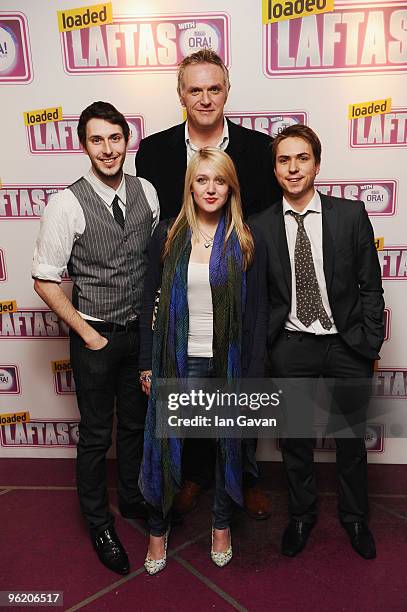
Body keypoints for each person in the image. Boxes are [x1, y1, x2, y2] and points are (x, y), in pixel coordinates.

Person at [136, 48, 278, 519]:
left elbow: (263, 227)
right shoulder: (153, 151)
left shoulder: (260, 150)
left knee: (240, 386)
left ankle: (244, 474)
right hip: (183, 290)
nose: (204, 98)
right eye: (194, 89)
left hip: (239, 289)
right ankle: (196, 474)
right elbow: (158, 230)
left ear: (227, 91)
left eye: (213, 88)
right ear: (180, 94)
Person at [32, 101, 159, 575]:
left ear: (128, 140)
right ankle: (99, 522)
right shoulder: (67, 202)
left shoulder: (146, 191)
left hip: (138, 335)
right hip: (96, 337)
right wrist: (88, 334)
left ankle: (130, 499)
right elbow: (45, 278)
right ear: (83, 145)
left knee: (134, 427)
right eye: (96, 140)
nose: (107, 149)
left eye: (115, 138)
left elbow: (149, 265)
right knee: (94, 436)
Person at [250, 124, 384, 559]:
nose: (293, 168)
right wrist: (268, 349)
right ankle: (302, 516)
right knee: (295, 440)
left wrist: (369, 343)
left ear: (317, 164)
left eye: (301, 158)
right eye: (284, 160)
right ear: (274, 169)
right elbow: (260, 296)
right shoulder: (260, 226)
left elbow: (371, 287)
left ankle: (355, 518)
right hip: (292, 344)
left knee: (350, 441)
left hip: (346, 344)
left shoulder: (350, 215)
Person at [138, 147, 268, 574]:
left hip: (225, 363)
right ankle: (158, 530)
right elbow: (148, 304)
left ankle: (221, 526)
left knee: (224, 448)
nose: (210, 189)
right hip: (178, 360)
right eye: (202, 180)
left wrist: (250, 375)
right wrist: (146, 364)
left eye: (219, 180)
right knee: (165, 445)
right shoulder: (168, 236)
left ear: (230, 186)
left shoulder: (245, 239)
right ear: (190, 185)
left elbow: (255, 316)